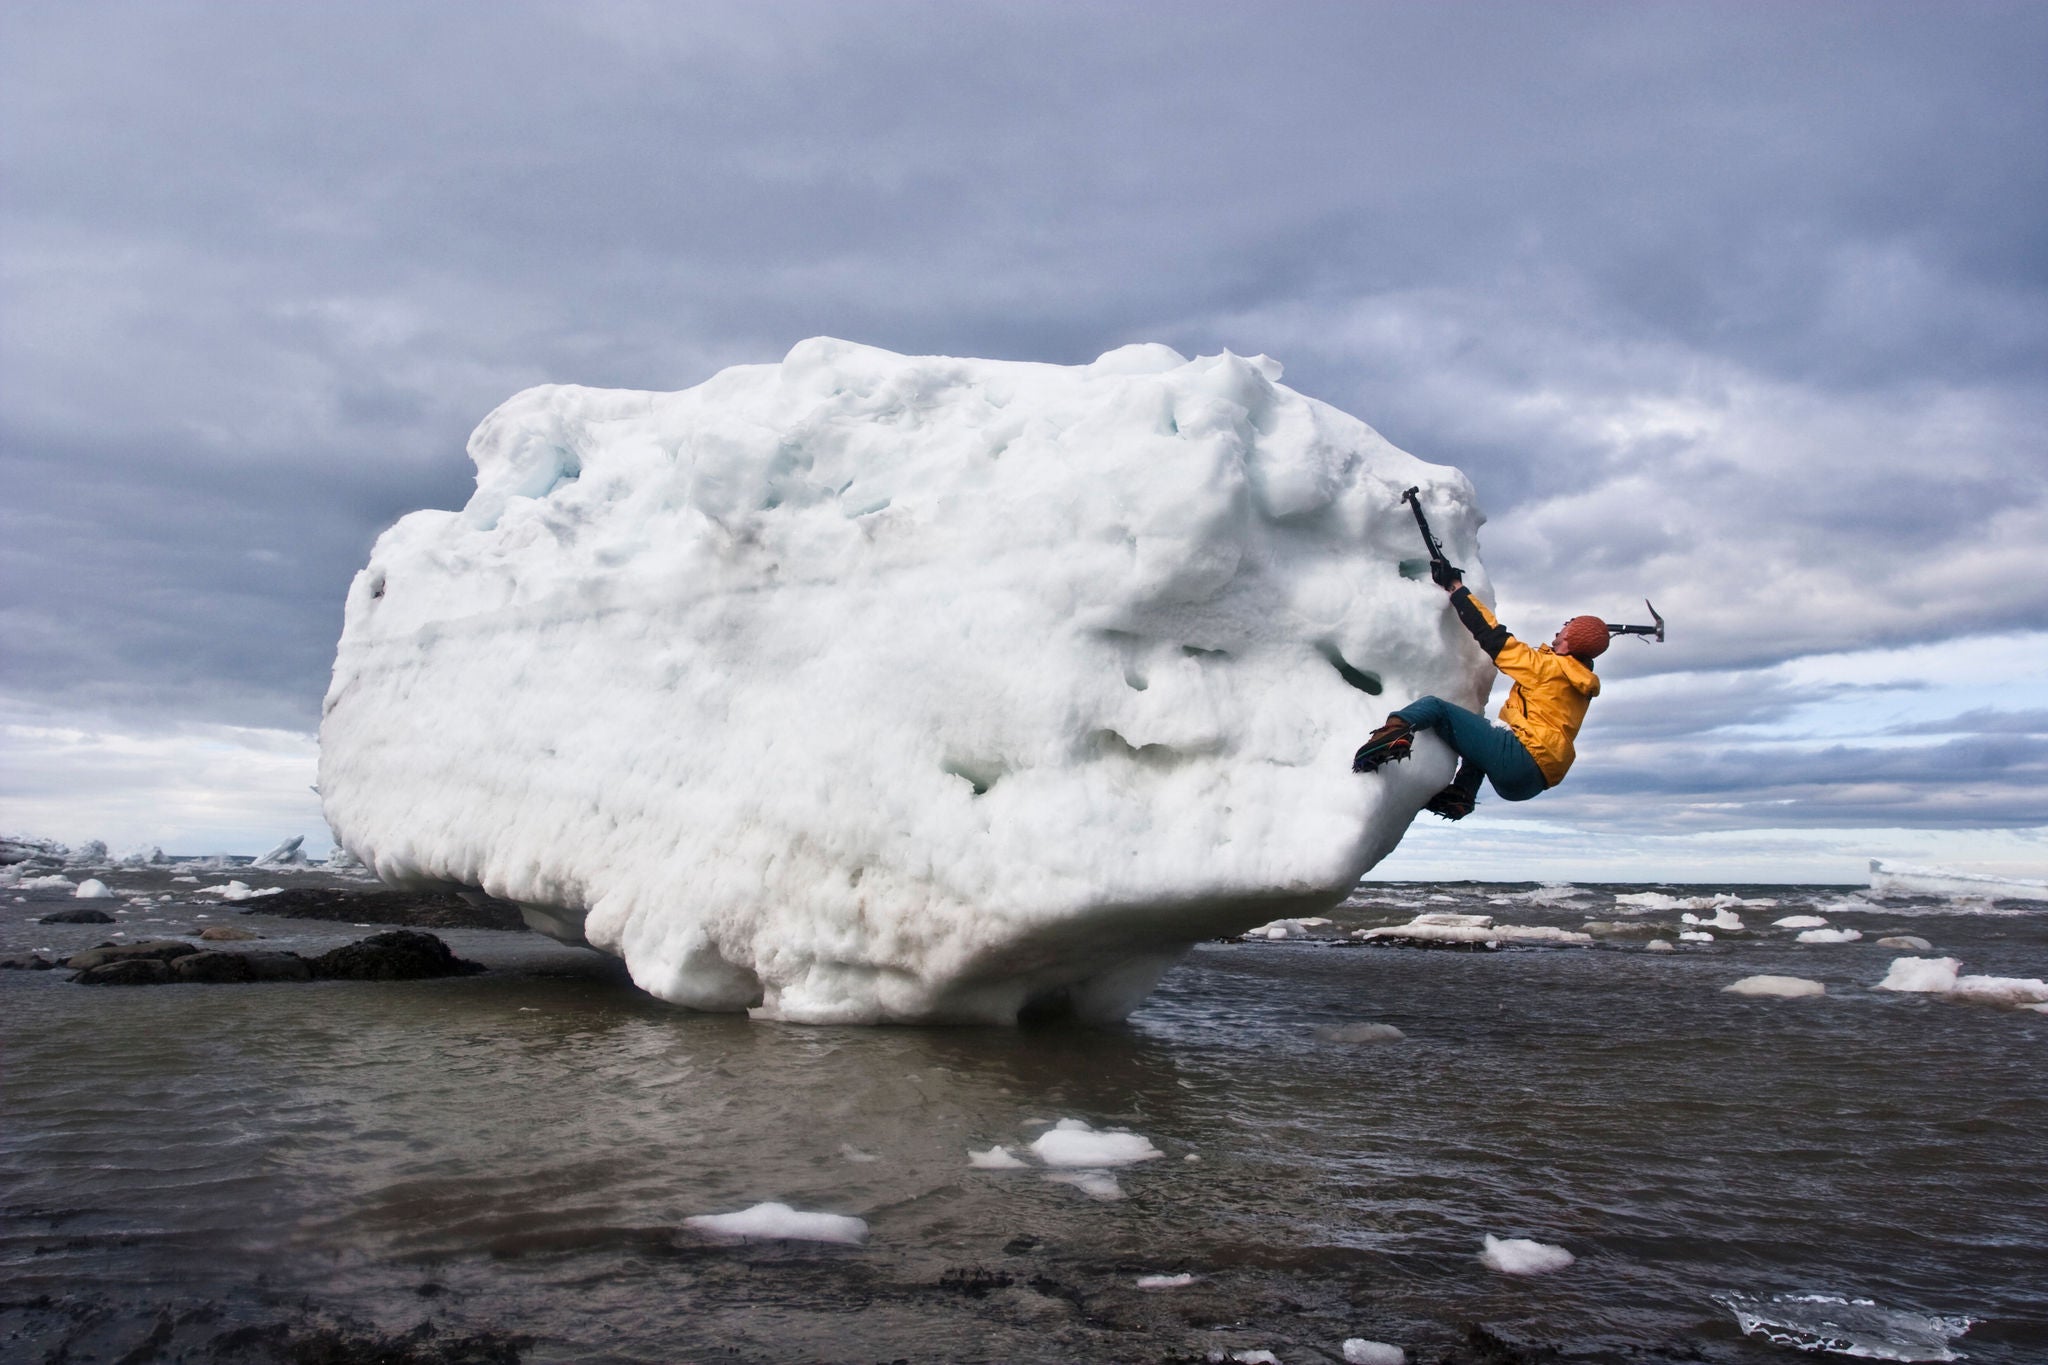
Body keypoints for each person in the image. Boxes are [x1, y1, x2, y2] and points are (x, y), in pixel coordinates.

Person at [1351, 573, 1606, 820]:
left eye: (1568, 625)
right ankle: (1461, 795)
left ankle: (1389, 737)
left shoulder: (1549, 669)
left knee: (1435, 707)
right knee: (1484, 739)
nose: (1560, 629)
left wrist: (1457, 589)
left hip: (1522, 758)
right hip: (1531, 783)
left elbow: (1495, 639)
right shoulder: (1578, 680)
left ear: (1571, 640)